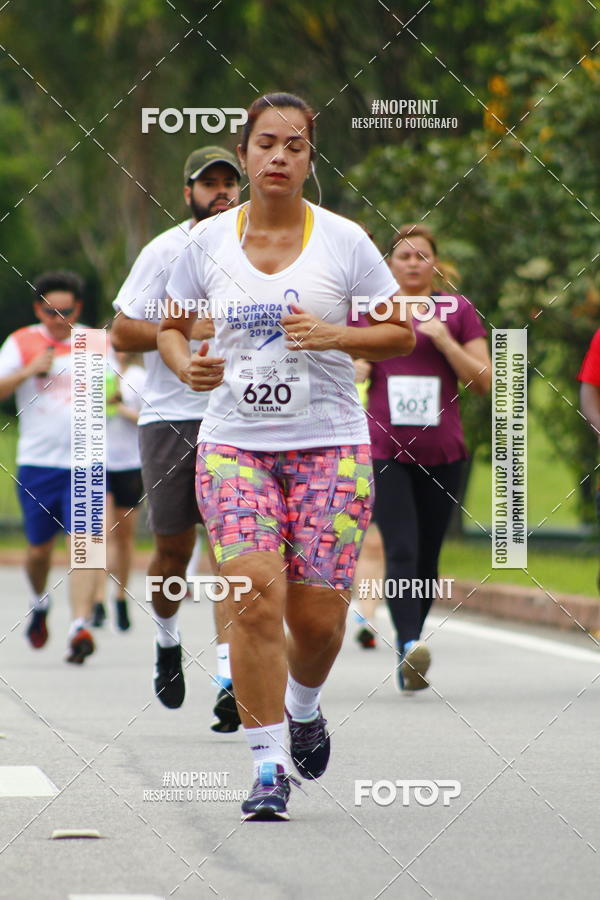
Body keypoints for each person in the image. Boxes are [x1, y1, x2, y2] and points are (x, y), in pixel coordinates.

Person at [158, 92, 415, 821]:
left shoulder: (345, 241)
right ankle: (268, 762)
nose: (279, 156)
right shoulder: (204, 245)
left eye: (294, 145)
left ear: (310, 157)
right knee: (251, 595)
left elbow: (399, 335)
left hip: (330, 444)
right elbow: (171, 328)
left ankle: (305, 706)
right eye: (266, 142)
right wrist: (184, 366)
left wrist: (337, 337)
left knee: (319, 619)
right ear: (244, 154)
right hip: (234, 444)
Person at [111, 146, 242, 730]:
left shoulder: (258, 249)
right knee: (173, 552)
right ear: (186, 191)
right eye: (208, 183)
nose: (220, 192)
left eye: (228, 184)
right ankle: (167, 640)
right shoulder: (165, 250)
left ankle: (230, 677)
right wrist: (190, 325)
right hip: (170, 416)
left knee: (232, 551)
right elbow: (121, 332)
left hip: (240, 417)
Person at [366, 224, 491, 691]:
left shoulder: (458, 311)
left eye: (422, 255)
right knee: (401, 548)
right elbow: (344, 363)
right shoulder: (372, 311)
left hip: (443, 453)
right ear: (390, 264)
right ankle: (410, 644)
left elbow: (484, 380)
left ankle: (410, 645)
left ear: (436, 264)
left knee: (428, 558)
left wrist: (444, 341)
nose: (414, 263)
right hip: (384, 451)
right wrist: (358, 363)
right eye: (404, 256)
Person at [0, 270, 103, 663]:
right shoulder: (21, 341)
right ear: (37, 308)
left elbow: (116, 388)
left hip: (87, 462)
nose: (58, 319)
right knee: (39, 551)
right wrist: (28, 370)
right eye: (50, 311)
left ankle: (81, 626)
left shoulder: (94, 341)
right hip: (38, 463)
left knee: (86, 549)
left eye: (67, 310)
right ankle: (39, 601)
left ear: (78, 308)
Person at [92, 349, 145, 631]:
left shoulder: (138, 377)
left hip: (130, 464)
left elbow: (148, 419)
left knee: (125, 536)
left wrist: (120, 406)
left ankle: (120, 596)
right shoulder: (97, 375)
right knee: (104, 532)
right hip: (100, 463)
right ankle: (98, 600)